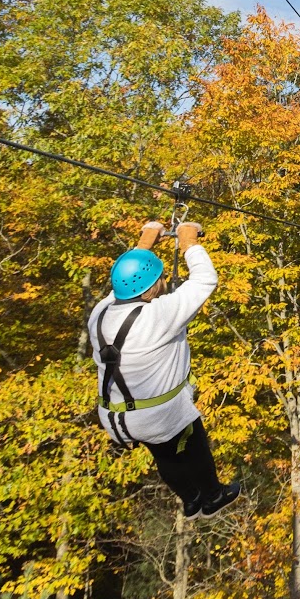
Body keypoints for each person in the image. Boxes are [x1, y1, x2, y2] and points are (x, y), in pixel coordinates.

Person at [89, 219, 240, 518]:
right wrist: (189, 242)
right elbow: (205, 280)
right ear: (153, 285)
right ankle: (212, 496)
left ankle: (190, 499)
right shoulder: (158, 315)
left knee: (165, 454)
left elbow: (123, 283)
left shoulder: (101, 312)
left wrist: (147, 239)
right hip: (160, 415)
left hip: (118, 415)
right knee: (195, 446)